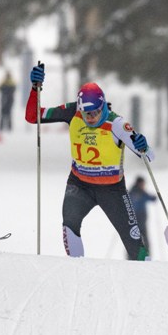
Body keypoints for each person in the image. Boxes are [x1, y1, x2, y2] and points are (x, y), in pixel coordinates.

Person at [25, 64, 151, 259]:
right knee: (69, 223)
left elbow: (148, 155)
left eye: (94, 113)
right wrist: (35, 88)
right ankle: (78, 270)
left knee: (133, 241)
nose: (90, 118)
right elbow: (33, 116)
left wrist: (143, 146)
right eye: (85, 114)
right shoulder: (72, 112)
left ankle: (146, 275)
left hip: (112, 190)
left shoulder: (117, 123)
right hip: (79, 185)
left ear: (103, 106)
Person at [127, 176, 155, 260]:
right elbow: (151, 198)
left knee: (132, 238)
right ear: (139, 183)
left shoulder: (132, 191)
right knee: (142, 239)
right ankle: (145, 256)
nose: (144, 185)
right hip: (138, 220)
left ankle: (131, 257)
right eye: (143, 184)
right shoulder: (139, 192)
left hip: (135, 220)